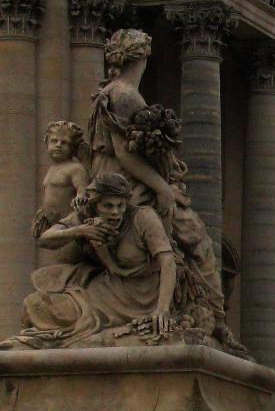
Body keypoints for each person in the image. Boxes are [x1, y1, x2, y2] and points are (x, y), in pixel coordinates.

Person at [88, 29, 246, 353]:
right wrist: (164, 188)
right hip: (126, 184)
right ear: (143, 56)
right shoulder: (125, 94)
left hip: (111, 178)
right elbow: (125, 154)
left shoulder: (109, 91)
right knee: (198, 239)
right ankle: (218, 321)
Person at [0, 173, 176, 349]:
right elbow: (44, 239)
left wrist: (162, 309)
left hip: (141, 296)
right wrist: (80, 231)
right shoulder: (85, 218)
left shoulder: (143, 217)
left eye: (120, 205)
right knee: (34, 304)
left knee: (68, 318)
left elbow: (168, 261)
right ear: (95, 205)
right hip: (105, 289)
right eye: (108, 205)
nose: (116, 212)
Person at [32, 121, 89, 238]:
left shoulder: (75, 168)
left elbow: (82, 188)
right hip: (51, 224)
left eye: (64, 142)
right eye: (54, 141)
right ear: (47, 143)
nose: (58, 145)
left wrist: (80, 196)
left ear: (72, 147)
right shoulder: (52, 168)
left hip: (69, 224)